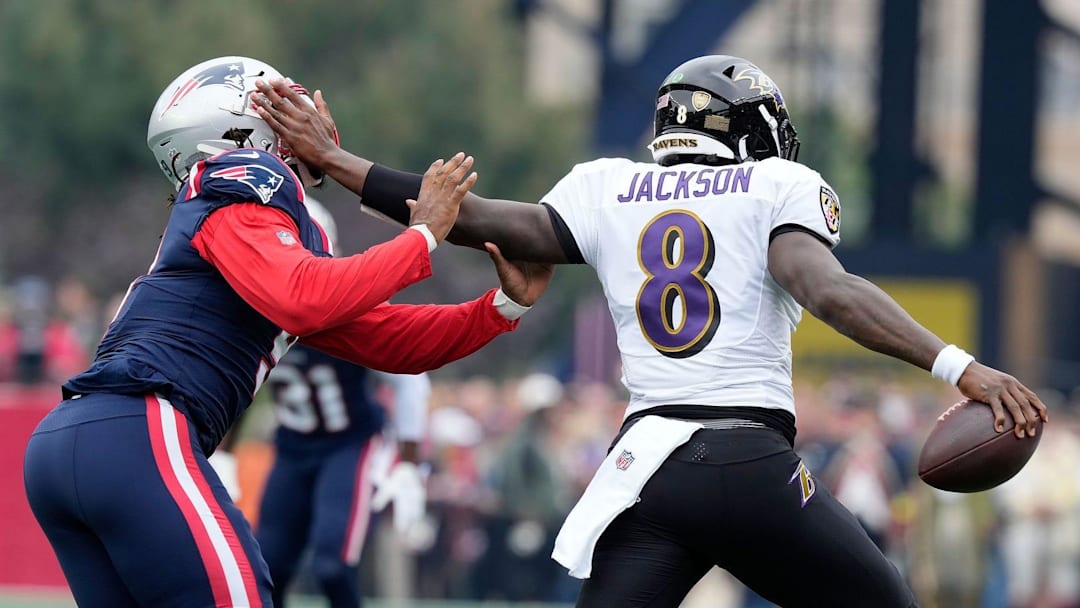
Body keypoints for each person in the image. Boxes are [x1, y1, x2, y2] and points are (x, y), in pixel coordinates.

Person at [252, 54, 1047, 608]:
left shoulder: (608, 187)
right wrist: (959, 367)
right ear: (747, 127)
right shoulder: (776, 181)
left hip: (649, 473)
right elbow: (829, 291)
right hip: (748, 458)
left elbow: (474, 220)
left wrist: (337, 158)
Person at [22, 55, 552, 608]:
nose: (314, 118)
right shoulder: (245, 179)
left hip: (79, 440)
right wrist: (422, 237)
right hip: (139, 432)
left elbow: (385, 338)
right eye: (285, 108)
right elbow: (304, 297)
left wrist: (503, 307)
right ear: (246, 129)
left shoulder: (240, 226)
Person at [256, 198, 433, 608]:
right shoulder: (252, 303)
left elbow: (411, 380)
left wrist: (409, 463)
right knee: (266, 569)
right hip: (291, 446)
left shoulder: (348, 303)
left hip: (348, 443)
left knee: (332, 566)